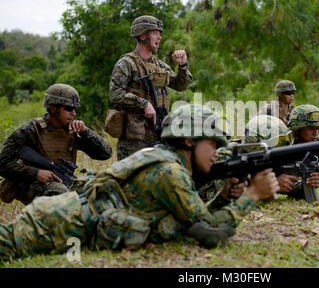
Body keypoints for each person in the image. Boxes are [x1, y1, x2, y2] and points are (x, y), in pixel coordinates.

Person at [0, 104, 279, 261]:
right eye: (212, 143)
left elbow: (190, 217)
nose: (217, 151)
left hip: (59, 215)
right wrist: (253, 194)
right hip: (54, 223)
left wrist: (224, 196)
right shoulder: (169, 171)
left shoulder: (163, 159)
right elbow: (209, 231)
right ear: (189, 141)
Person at [0, 84, 112, 205]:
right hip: (30, 184)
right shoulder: (31, 130)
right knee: (60, 192)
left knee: (100, 192)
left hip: (63, 180)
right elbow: (2, 163)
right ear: (53, 108)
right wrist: (36, 173)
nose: (73, 113)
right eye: (69, 108)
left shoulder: (73, 130)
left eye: (75, 109)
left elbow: (105, 154)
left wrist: (85, 132)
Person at [109, 15, 193, 160]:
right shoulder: (126, 64)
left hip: (160, 135)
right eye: (155, 33)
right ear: (142, 35)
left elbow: (181, 85)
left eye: (160, 33)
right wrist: (144, 104)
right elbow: (115, 95)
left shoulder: (159, 66)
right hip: (134, 142)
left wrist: (182, 66)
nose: (159, 37)